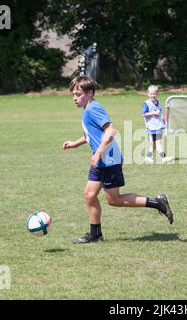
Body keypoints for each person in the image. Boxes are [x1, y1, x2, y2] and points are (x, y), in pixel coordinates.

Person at [62, 76, 174, 244]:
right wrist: (74, 144)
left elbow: (110, 130)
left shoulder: (93, 109)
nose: (74, 98)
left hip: (109, 159)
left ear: (90, 93)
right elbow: (90, 135)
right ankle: (95, 234)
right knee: (89, 195)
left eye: (78, 94)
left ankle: (157, 202)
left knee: (114, 200)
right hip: (101, 160)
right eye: (73, 94)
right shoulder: (87, 109)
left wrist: (98, 152)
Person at [141, 85, 174, 163]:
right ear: (148, 94)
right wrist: (153, 113)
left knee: (156, 143)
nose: (153, 95)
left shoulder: (158, 102)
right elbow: (143, 114)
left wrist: (163, 121)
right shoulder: (146, 103)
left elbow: (160, 113)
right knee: (155, 144)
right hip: (151, 127)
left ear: (157, 94)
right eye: (151, 94)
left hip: (158, 126)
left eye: (154, 94)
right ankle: (163, 157)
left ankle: (149, 157)